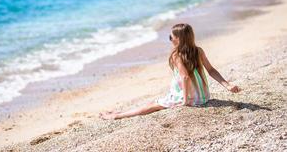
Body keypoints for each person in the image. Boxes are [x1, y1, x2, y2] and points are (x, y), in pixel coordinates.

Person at [99, 23, 241, 120]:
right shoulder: (198, 51)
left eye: (170, 38)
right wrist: (227, 85)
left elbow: (185, 77)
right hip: (203, 96)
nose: (170, 40)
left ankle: (116, 116)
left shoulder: (176, 55)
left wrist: (185, 101)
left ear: (178, 40)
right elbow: (211, 70)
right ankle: (119, 113)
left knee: (151, 106)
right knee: (156, 102)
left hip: (189, 98)